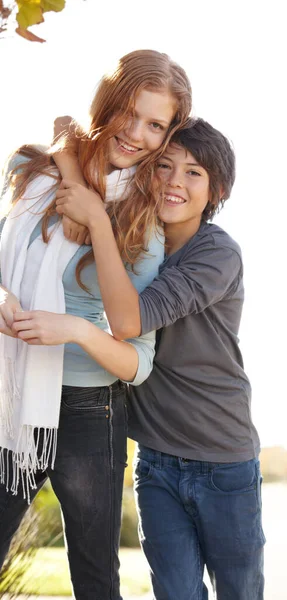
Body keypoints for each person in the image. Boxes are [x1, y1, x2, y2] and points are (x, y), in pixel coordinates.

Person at [0, 49, 192, 600]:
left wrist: (75, 328)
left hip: (90, 407)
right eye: (129, 112)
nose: (136, 134)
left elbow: (137, 359)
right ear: (106, 102)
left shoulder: (142, 221)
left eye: (155, 125)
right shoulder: (29, 169)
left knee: (95, 581)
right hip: (12, 398)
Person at [53, 117, 265, 600]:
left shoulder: (217, 254)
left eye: (194, 173)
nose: (174, 181)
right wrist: (69, 158)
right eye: (164, 166)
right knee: (175, 593)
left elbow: (129, 321)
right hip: (156, 459)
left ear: (218, 191)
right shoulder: (131, 242)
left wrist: (98, 222)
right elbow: (68, 131)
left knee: (240, 590)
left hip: (223, 458)